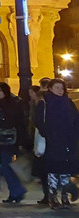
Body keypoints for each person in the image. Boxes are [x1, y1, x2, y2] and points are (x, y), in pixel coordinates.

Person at [34, 78, 79, 209]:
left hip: (68, 141)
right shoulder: (45, 103)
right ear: (50, 89)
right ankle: (52, 198)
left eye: (61, 88)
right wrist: (48, 134)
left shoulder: (69, 103)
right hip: (52, 142)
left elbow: (76, 120)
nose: (60, 91)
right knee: (53, 170)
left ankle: (65, 197)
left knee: (65, 170)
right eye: (57, 88)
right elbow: (38, 121)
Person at [0, 81, 27, 203]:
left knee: (5, 166)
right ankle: (15, 192)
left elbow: (20, 123)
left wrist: (21, 142)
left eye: (0, 90)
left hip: (10, 140)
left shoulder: (13, 104)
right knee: (4, 167)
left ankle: (18, 190)